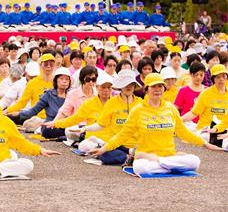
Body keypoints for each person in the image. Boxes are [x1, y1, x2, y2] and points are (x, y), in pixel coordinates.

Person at [90, 73, 222, 175]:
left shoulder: (170, 109)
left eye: (160, 86)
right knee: (140, 167)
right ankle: (170, 166)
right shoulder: (138, 110)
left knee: (195, 162)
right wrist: (103, 149)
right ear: (147, 89)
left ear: (164, 89)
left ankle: (163, 164)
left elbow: (183, 132)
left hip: (165, 155)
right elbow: (122, 135)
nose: (157, 89)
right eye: (154, 86)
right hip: (147, 156)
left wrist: (204, 143)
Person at [46, 73, 114, 146]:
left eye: (109, 87)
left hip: (112, 139)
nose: (106, 90)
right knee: (84, 145)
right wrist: (55, 123)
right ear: (97, 87)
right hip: (93, 139)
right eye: (103, 87)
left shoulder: (116, 103)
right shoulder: (89, 103)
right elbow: (75, 118)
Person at [11, 67, 71, 139]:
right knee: (47, 131)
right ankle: (67, 136)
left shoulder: (71, 95)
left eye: (67, 79)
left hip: (67, 125)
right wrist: (18, 114)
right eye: (61, 79)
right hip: (51, 125)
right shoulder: (49, 95)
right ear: (56, 80)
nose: (64, 81)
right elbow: (33, 111)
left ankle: (67, 136)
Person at [5, 53, 56, 123]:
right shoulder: (32, 83)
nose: (49, 66)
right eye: (46, 64)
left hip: (55, 118)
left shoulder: (57, 82)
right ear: (40, 66)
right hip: (37, 119)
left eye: (51, 64)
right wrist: (7, 111)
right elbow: (22, 102)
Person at [181, 64, 228, 134]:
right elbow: (193, 113)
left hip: (224, 130)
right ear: (213, 79)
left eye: (223, 76)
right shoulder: (206, 93)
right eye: (218, 77)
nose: (221, 79)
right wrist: (178, 120)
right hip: (205, 129)